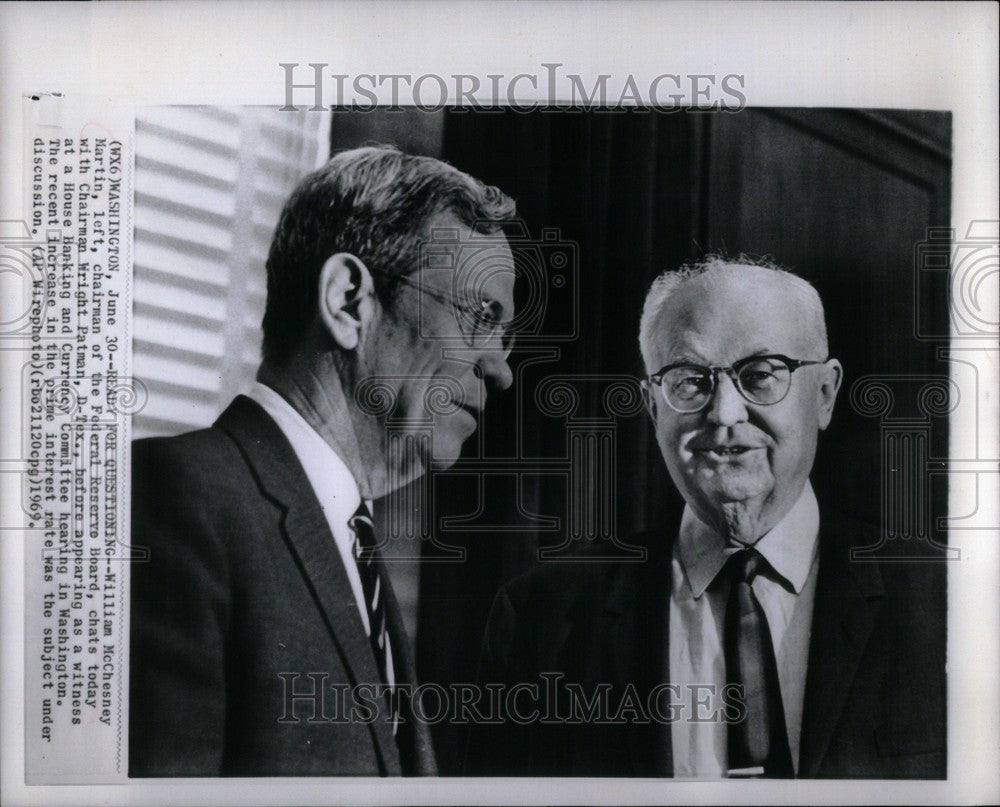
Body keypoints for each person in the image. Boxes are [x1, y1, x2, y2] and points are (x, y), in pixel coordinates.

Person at [466, 256, 945, 778]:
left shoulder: (948, 599)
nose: (724, 414)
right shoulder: (541, 618)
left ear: (825, 394)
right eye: (690, 380)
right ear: (653, 408)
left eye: (761, 375)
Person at [130, 146, 517, 776]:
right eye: (479, 316)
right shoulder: (173, 497)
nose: (499, 369)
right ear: (348, 301)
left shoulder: (352, 545)